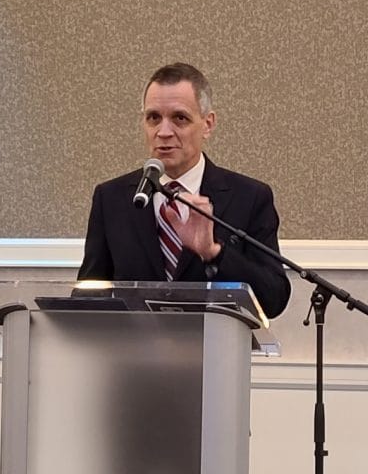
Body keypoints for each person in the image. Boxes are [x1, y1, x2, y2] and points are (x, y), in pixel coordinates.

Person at [77, 63, 290, 319]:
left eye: (180, 118)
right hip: (134, 343)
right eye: (153, 118)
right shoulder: (112, 198)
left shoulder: (249, 197)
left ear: (208, 124)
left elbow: (273, 299)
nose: (164, 132)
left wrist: (213, 253)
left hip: (214, 342)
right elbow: (87, 295)